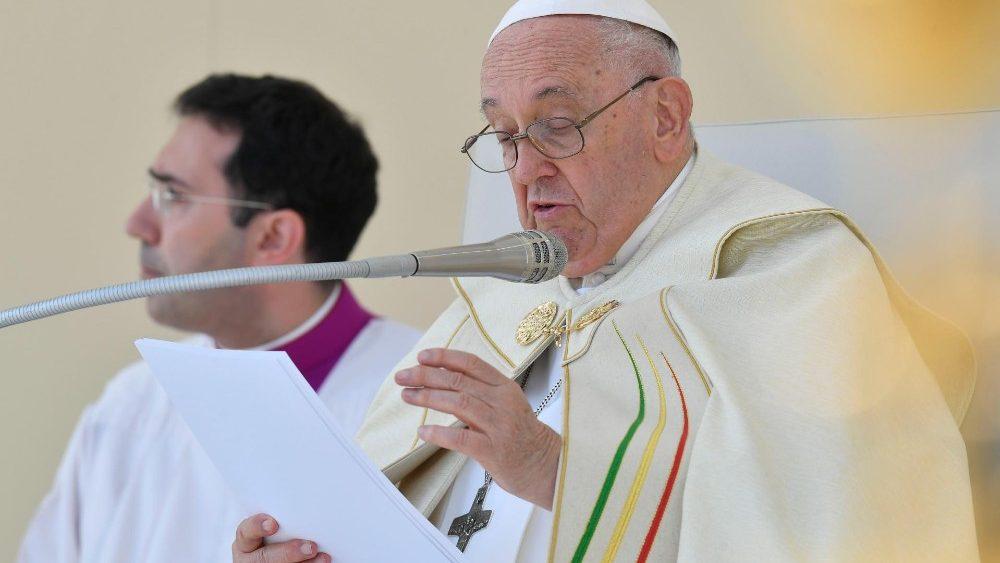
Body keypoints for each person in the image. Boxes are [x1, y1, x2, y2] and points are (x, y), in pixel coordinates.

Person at [233, 1, 979, 561]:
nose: (527, 170)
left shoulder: (797, 275)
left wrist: (558, 472)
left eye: (557, 125)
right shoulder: (498, 297)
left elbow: (842, 530)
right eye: (505, 136)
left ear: (666, 117)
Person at [18, 74, 421, 563]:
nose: (137, 224)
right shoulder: (129, 408)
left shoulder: (422, 409)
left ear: (273, 237)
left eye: (173, 196)